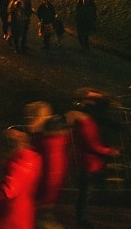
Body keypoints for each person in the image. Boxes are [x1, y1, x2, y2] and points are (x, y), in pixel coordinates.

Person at [66, 89, 121, 229]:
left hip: (92, 161)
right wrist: (109, 151)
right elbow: (91, 144)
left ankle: (94, 217)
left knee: (91, 191)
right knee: (87, 193)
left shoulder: (86, 119)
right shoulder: (85, 121)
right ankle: (83, 219)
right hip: (90, 162)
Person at [0, 125, 42, 229]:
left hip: (12, 219)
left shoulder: (24, 160)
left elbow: (8, 190)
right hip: (11, 214)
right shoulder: (21, 158)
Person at [25, 101, 70, 229]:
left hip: (43, 197)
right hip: (40, 194)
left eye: (32, 117)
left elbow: (54, 172)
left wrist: (45, 199)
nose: (29, 121)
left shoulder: (50, 141)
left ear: (44, 118)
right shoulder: (42, 138)